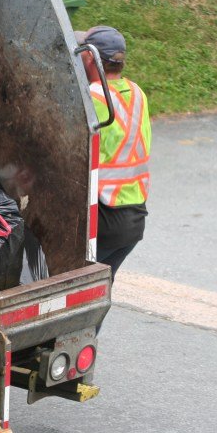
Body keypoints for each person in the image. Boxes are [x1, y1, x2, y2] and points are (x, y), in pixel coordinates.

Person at [76, 26, 151, 279]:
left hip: (103, 218)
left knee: (71, 289)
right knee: (96, 292)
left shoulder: (92, 96)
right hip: (134, 219)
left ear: (89, 57)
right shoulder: (137, 93)